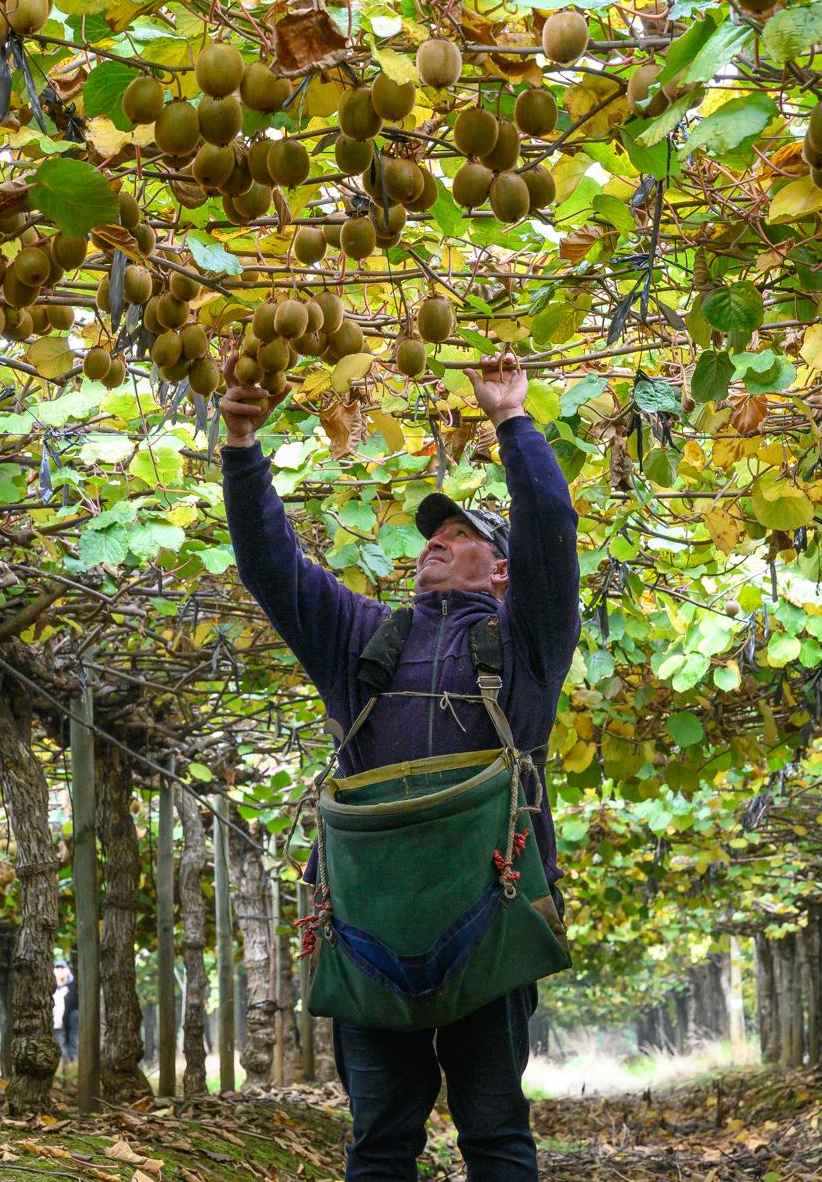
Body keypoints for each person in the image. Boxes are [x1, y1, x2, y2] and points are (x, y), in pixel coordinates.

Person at [221, 356, 579, 1182]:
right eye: (431, 535)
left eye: (460, 535)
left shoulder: (526, 643)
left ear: (502, 569)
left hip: (491, 923)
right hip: (368, 929)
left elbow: (552, 525)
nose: (435, 542)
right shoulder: (364, 639)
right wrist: (241, 447)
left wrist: (513, 421)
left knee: (496, 1132)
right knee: (379, 1140)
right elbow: (272, 567)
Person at [53, 960, 79, 1062]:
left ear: (68, 971)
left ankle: (74, 1064)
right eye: (57, 968)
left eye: (62, 968)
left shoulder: (74, 988)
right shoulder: (50, 988)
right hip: (57, 1026)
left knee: (74, 1046)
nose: (60, 970)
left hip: (72, 1025)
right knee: (60, 1049)